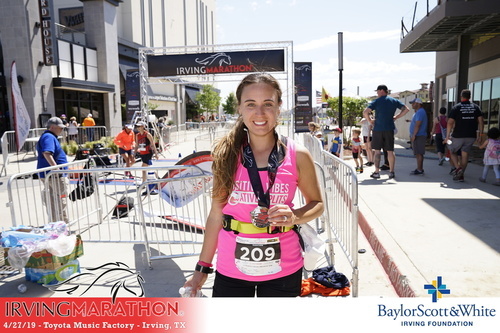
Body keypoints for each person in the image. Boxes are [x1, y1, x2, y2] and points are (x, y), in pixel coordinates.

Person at [183, 73, 324, 297]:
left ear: (279, 107)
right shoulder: (226, 154)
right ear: (239, 108)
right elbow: (216, 214)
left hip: (284, 270)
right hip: (231, 270)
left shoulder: (298, 155)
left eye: (268, 104)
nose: (259, 113)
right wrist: (202, 268)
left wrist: (295, 216)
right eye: (250, 104)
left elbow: (317, 204)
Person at [363, 84, 410, 179]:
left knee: (377, 151)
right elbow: (406, 109)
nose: (377, 93)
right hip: (389, 128)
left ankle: (376, 172)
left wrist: (370, 121)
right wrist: (396, 117)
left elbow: (365, 112)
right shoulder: (394, 101)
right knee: (390, 151)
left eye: (377, 91)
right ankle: (392, 172)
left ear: (381, 91)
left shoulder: (376, 101)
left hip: (378, 129)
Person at [444, 89, 484, 182]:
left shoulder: (456, 107)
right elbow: (481, 121)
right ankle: (461, 175)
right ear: (470, 97)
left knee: (451, 149)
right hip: (471, 135)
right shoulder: (476, 107)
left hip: (458, 135)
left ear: (461, 96)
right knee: (465, 155)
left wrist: (447, 136)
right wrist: (480, 135)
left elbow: (450, 122)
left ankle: (458, 168)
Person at [37, 117, 69, 223]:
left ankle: (56, 223)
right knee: (60, 199)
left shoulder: (48, 136)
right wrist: (56, 169)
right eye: (60, 128)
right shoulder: (49, 137)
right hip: (54, 175)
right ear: (52, 127)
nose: (61, 130)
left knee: (54, 199)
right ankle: (62, 223)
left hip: (51, 174)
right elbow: (47, 152)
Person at [408, 98, 428, 175]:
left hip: (419, 135)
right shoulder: (418, 112)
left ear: (418, 104)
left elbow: (418, 125)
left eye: (414, 103)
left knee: (419, 153)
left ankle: (420, 169)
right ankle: (419, 168)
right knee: (418, 153)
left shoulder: (420, 112)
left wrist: (414, 135)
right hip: (419, 135)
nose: (412, 105)